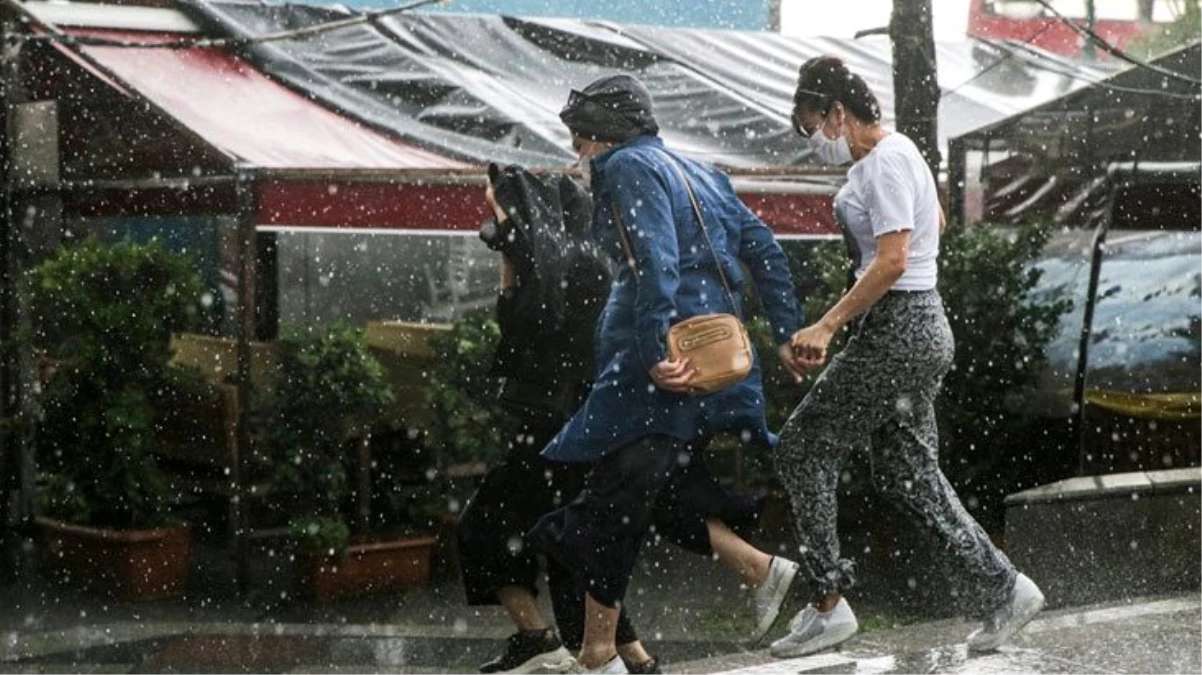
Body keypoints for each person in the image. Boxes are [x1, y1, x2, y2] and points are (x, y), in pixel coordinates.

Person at [459, 164, 797, 675]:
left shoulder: (560, 264)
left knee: (522, 528)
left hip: (565, 422)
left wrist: (511, 248)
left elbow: (519, 333)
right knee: (608, 521)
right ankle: (631, 652)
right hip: (605, 412)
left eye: (497, 209)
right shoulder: (596, 251)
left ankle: (560, 643)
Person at [528, 74, 809, 675]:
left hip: (654, 372)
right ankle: (755, 572)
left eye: (579, 140)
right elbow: (764, 249)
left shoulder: (627, 168)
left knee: (606, 501)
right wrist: (786, 332)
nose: (577, 153)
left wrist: (654, 345)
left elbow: (653, 259)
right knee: (643, 491)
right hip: (710, 362)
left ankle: (600, 651)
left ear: (600, 134)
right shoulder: (702, 172)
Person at [767, 56, 1045, 659]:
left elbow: (894, 261)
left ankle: (827, 605)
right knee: (906, 474)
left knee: (802, 446)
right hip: (919, 326)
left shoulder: (884, 160)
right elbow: (935, 221)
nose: (816, 142)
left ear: (838, 112)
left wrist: (827, 324)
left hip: (899, 328)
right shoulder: (898, 154)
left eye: (815, 126)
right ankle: (1007, 590)